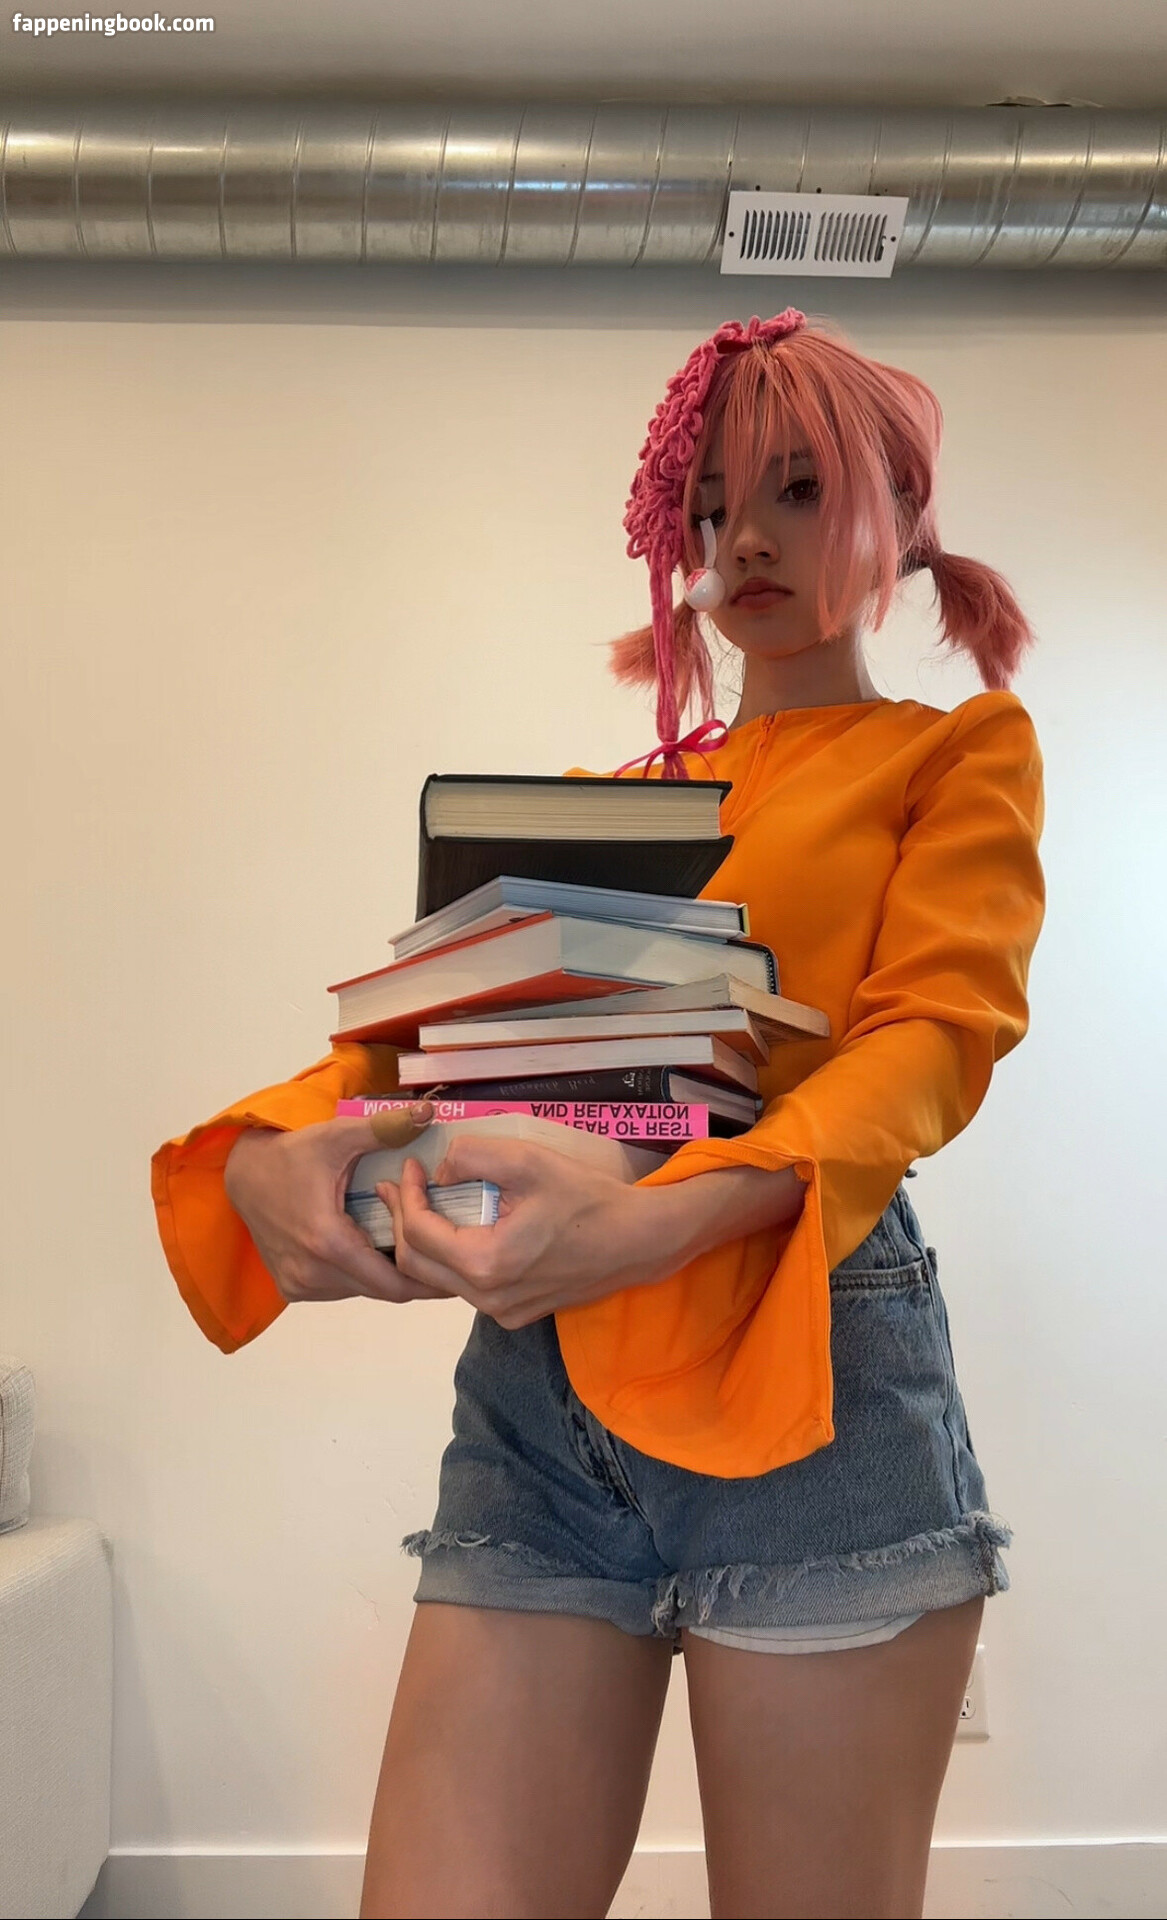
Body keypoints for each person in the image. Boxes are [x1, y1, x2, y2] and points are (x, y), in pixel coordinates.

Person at [150, 310, 1046, 1920]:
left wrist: (667, 1215)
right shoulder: (615, 807)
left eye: (795, 490)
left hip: (809, 1366)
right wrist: (274, 1148)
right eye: (709, 507)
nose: (744, 540)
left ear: (900, 513)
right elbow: (435, 1038)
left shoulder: (954, 757)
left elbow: (932, 1040)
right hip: (543, 1402)